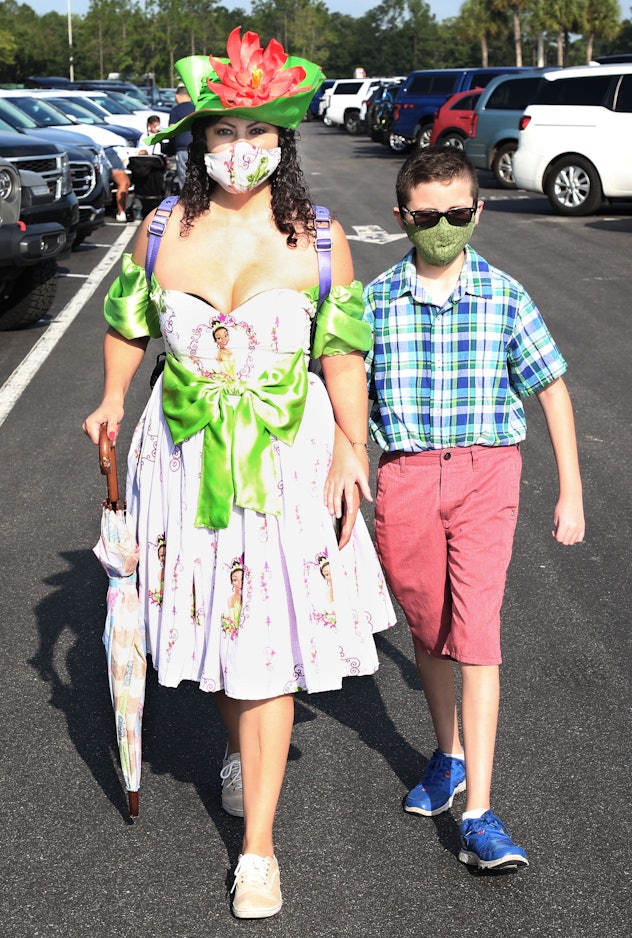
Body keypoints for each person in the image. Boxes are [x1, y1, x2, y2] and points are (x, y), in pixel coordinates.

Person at [83, 28, 395, 920]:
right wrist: (111, 397)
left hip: (283, 469)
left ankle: (258, 849)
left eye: (257, 133)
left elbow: (341, 355)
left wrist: (350, 446)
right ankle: (238, 753)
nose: (239, 149)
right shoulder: (160, 230)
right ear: (197, 141)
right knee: (218, 640)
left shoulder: (321, 239)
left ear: (283, 143)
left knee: (264, 652)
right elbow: (126, 322)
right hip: (180, 463)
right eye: (222, 132)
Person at [363, 147, 584, 872]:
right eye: (428, 217)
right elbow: (341, 400)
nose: (444, 228)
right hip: (406, 475)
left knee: (478, 634)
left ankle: (482, 814)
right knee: (430, 629)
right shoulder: (373, 303)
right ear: (403, 217)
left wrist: (571, 491)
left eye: (459, 213)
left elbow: (550, 387)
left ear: (478, 211)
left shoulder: (505, 297)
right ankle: (447, 755)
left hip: (488, 472)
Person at [165, 83, 194, 188]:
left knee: (184, 176)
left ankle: (186, 201)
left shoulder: (175, 110)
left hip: (182, 148)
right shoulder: (196, 108)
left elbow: (172, 130)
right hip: (198, 146)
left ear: (177, 96)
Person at [105, 145, 131, 222]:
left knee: (126, 183)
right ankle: (120, 212)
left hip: (112, 151)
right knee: (123, 183)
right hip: (108, 151)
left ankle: (121, 210)